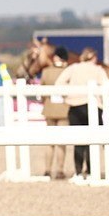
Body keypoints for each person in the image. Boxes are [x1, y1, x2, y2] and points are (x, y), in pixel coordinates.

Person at [55, 47, 109, 180]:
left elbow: (59, 83)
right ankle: (90, 171)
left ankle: (78, 172)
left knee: (78, 141)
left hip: (76, 107)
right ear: (93, 58)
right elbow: (106, 86)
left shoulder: (73, 68)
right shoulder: (98, 70)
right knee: (92, 141)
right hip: (94, 107)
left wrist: (68, 96)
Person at [40, 47, 71, 179]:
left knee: (49, 142)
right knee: (61, 142)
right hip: (64, 109)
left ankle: (47, 169)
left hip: (49, 108)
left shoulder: (46, 72)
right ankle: (60, 170)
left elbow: (42, 91)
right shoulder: (68, 71)